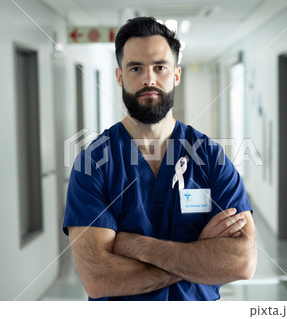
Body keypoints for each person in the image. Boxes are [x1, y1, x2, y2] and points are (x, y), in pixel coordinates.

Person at [63, 16, 257, 301]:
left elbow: (242, 261)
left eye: (160, 67)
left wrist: (137, 246)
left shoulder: (210, 156)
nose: (149, 79)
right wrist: (197, 253)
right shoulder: (93, 164)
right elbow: (98, 278)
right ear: (120, 76)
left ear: (176, 75)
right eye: (136, 68)